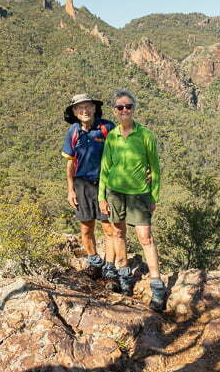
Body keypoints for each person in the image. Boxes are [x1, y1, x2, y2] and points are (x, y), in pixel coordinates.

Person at [98, 89, 168, 311]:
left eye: (128, 106)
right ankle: (124, 277)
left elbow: (154, 167)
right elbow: (105, 168)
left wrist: (153, 195)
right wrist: (101, 197)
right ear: (115, 111)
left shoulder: (145, 135)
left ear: (134, 109)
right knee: (118, 233)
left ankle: (157, 284)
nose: (124, 110)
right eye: (120, 107)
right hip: (114, 192)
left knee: (145, 237)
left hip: (139, 193)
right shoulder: (112, 136)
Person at [61, 93, 118, 282]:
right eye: (80, 108)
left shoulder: (107, 128)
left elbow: (120, 155)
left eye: (87, 106)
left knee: (109, 228)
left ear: (94, 108)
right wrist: (70, 190)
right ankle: (95, 263)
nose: (84, 111)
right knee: (86, 228)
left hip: (105, 185)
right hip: (82, 185)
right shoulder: (73, 131)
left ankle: (110, 267)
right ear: (75, 112)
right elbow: (70, 162)